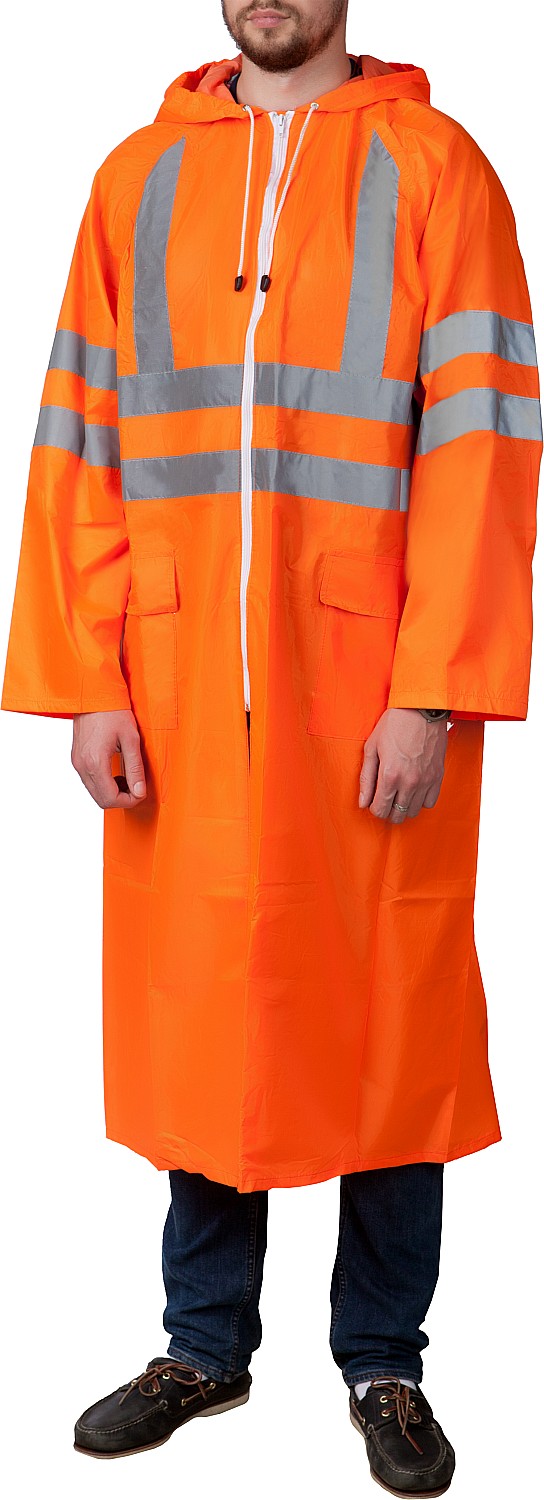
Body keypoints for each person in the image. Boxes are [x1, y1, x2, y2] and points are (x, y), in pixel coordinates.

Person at [1, 1, 541, 1491]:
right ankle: (204, 1347)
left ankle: (384, 1361)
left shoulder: (435, 166)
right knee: (205, 1011)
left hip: (365, 684)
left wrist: (435, 690)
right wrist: (88, 678)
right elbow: (79, 437)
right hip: (176, 680)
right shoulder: (137, 179)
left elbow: (486, 442)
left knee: (387, 1017)